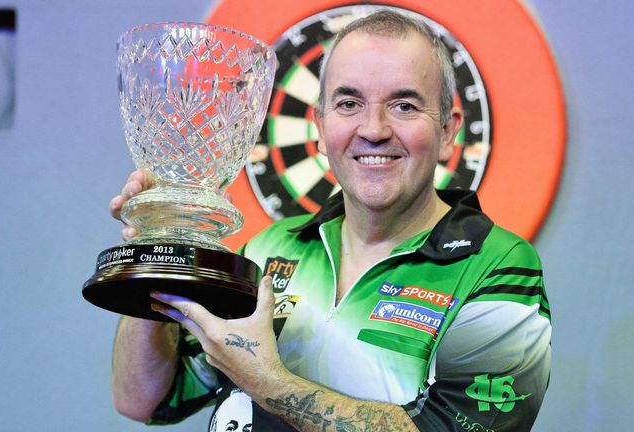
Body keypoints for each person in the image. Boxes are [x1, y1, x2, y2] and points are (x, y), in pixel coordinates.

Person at [110, 10, 551, 432]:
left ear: (449, 129)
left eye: (404, 105)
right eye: (349, 102)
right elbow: (145, 398)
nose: (373, 128)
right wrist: (157, 243)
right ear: (320, 126)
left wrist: (268, 380)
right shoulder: (270, 248)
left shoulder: (499, 264)